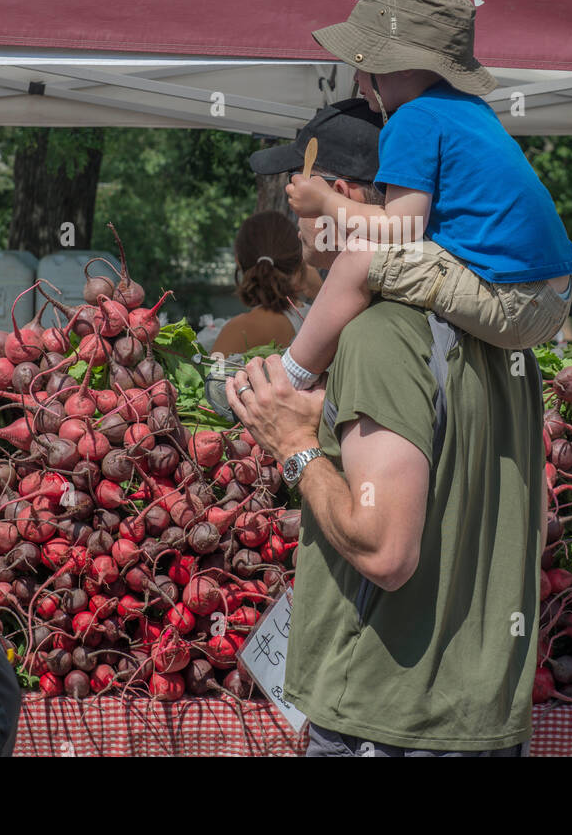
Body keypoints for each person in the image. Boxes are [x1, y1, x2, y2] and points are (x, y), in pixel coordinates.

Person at [228, 96, 545, 757]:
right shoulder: (503, 340)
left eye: (299, 196)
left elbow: (386, 551)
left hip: (390, 722)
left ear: (340, 194)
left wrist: (295, 450)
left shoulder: (378, 334)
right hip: (476, 714)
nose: (294, 219)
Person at [277, 0, 572, 394]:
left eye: (362, 65)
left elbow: (400, 229)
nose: (357, 79)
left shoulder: (412, 119)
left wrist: (325, 200)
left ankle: (290, 375)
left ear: (398, 65)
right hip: (550, 296)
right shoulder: (466, 110)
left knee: (361, 256)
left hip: (515, 301)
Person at [211, 211, 309, 357]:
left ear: (238, 261)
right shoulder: (320, 320)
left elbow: (212, 378)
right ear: (299, 261)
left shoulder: (238, 331)